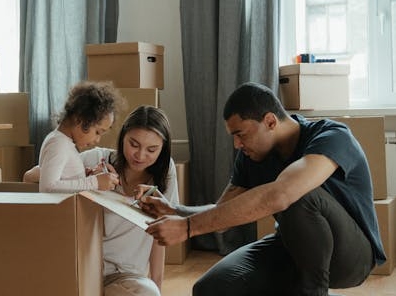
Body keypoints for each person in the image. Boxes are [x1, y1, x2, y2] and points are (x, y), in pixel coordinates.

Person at [140, 82, 386, 296]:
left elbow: (282, 194)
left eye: (240, 134)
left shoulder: (332, 136)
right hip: (290, 248)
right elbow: (221, 213)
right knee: (210, 288)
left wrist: (188, 228)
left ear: (270, 121)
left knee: (298, 195)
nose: (236, 144)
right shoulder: (252, 155)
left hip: (351, 258)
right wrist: (175, 210)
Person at [26, 105, 180, 296]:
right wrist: (87, 178)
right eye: (133, 144)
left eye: (151, 149)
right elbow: (30, 176)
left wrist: (158, 286)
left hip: (126, 277)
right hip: (84, 270)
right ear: (122, 138)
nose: (140, 155)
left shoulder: (165, 173)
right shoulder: (97, 158)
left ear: (162, 150)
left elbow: (160, 233)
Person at [37, 80, 122, 193]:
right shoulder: (58, 144)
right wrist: (94, 182)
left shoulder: (64, 143)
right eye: (97, 132)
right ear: (80, 119)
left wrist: (84, 177)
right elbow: (47, 187)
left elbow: (64, 181)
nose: (97, 140)